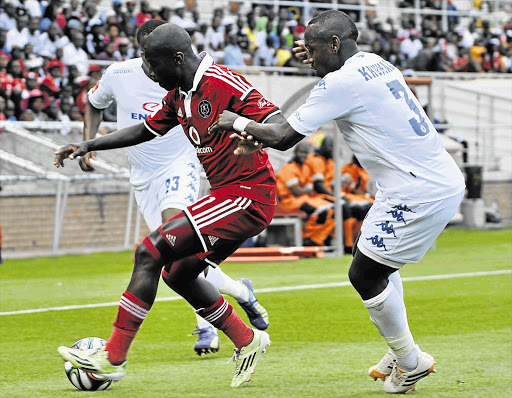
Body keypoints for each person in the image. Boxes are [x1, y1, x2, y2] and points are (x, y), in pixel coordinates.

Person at [210, 10, 465, 394]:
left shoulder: (338, 84)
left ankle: (410, 362)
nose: (308, 58)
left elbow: (281, 136)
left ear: (334, 45)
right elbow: (332, 65)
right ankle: (403, 352)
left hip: (418, 191)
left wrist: (237, 122)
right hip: (427, 181)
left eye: (313, 50)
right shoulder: (374, 63)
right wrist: (318, 50)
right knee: (373, 260)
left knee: (364, 274)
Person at [55, 22, 281, 388]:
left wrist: (246, 127)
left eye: (153, 66)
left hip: (247, 194)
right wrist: (90, 144)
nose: (149, 73)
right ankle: (247, 339)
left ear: (176, 58)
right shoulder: (179, 95)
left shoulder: (224, 83)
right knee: (176, 272)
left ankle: (112, 358)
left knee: (149, 253)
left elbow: (280, 124)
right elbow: (146, 129)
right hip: (225, 193)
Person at [276, 141, 335, 246]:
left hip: (304, 198)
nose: (303, 155)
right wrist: (306, 189)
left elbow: (308, 187)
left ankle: (315, 239)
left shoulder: (305, 167)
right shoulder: (289, 167)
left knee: (333, 209)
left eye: (305, 153)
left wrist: (305, 189)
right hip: (289, 201)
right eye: (301, 152)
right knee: (322, 211)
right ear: (295, 152)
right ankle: (307, 237)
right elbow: (297, 192)